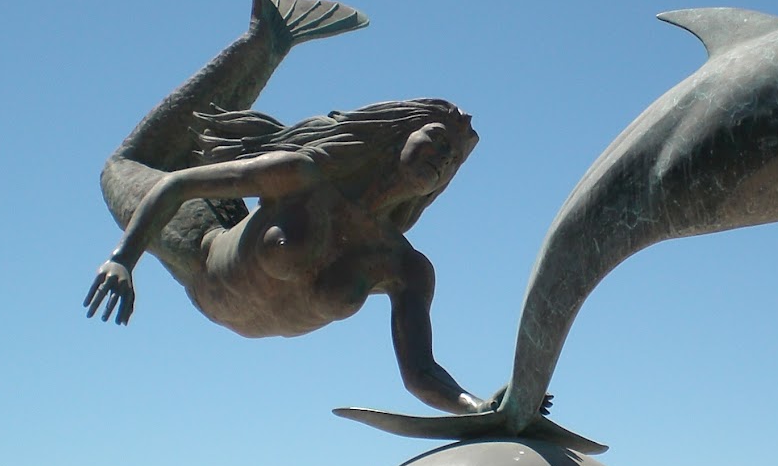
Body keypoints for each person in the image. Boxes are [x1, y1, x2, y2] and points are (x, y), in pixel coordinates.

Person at [86, 98, 488, 415]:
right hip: (197, 251)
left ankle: (269, 38)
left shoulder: (405, 267)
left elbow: (420, 372)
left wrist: (477, 406)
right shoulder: (302, 176)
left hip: (227, 307)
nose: (443, 156)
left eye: (452, 159)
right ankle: (264, 41)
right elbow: (177, 186)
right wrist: (123, 258)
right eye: (435, 139)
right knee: (118, 167)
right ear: (400, 135)